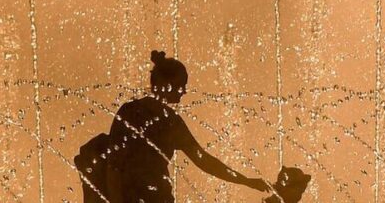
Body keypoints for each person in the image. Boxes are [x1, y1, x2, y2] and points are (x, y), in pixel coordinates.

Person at [84, 50, 270, 202]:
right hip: (136, 196)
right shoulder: (140, 115)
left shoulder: (158, 118)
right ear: (165, 84)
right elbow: (114, 164)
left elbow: (203, 160)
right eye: (181, 85)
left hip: (155, 197)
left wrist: (246, 181)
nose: (184, 91)